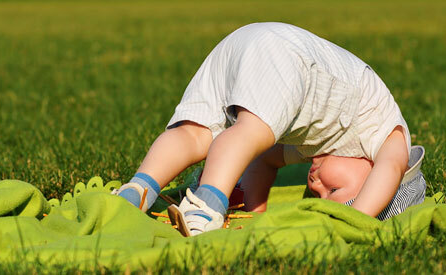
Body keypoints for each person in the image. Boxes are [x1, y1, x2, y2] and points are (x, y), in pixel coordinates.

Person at [112, 22, 427, 236]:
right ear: (371, 171)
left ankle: (139, 187)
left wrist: (255, 212)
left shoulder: (323, 145)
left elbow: (263, 161)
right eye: (333, 190)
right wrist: (356, 220)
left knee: (197, 134)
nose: (316, 186)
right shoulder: (386, 136)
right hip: (289, 57)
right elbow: (392, 169)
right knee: (250, 133)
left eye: (317, 195)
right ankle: (207, 204)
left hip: (241, 44)